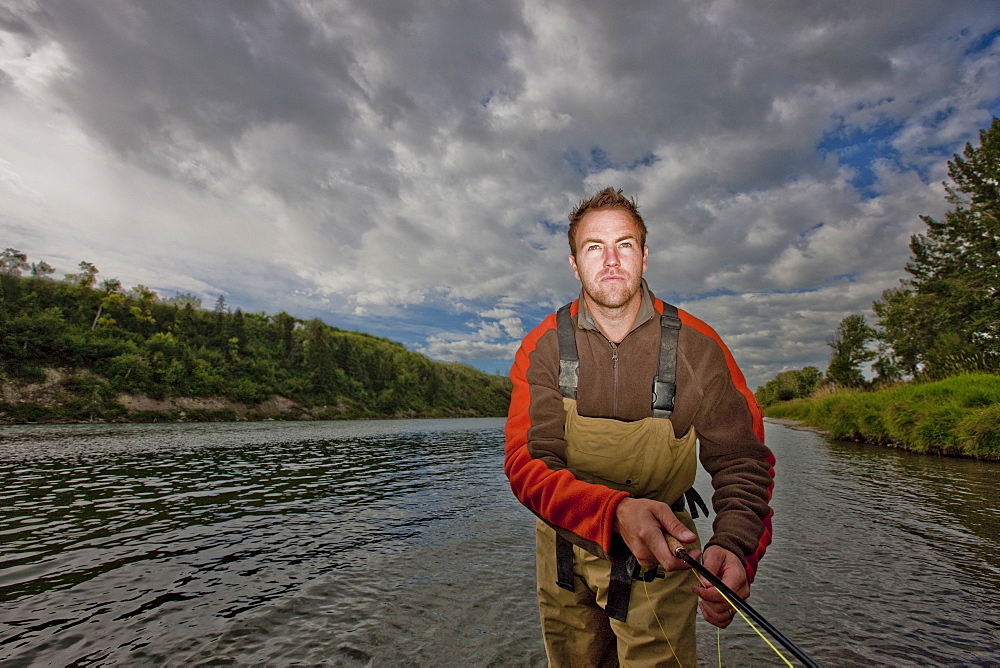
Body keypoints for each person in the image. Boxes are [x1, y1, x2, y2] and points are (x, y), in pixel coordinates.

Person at [504, 187, 774, 667]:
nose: (610, 260)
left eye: (624, 244)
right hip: (563, 556)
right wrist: (613, 514)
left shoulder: (700, 346)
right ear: (574, 264)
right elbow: (527, 463)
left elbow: (743, 460)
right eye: (594, 247)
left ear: (644, 256)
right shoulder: (541, 347)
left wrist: (735, 545)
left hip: (668, 558)